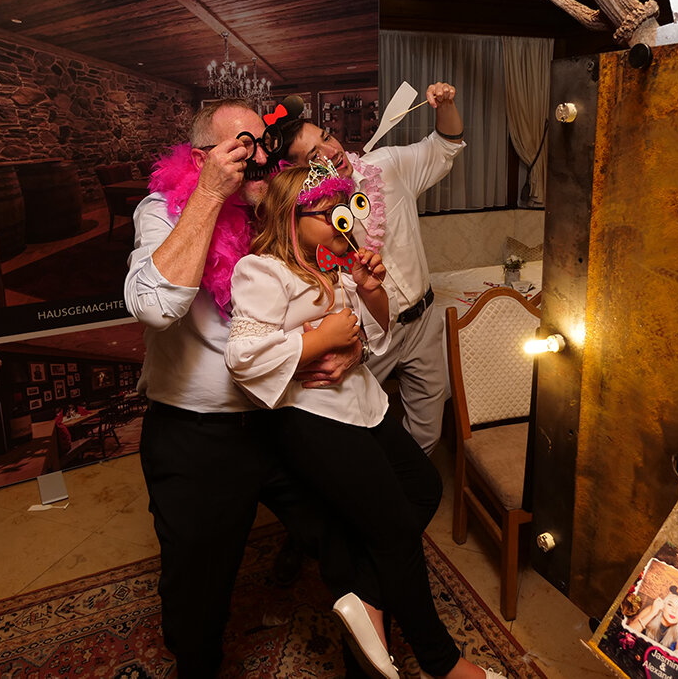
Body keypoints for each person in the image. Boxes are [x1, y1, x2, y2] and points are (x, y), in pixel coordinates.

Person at [224, 160, 503, 679]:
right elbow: (242, 358)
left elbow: (372, 337)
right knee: (395, 533)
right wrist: (319, 341)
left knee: (423, 488)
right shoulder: (262, 270)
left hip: (364, 406)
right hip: (313, 419)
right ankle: (442, 663)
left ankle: (366, 598)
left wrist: (371, 292)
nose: (342, 221)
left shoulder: (333, 267)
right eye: (327, 213)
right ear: (291, 218)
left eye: (345, 210)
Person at [124, 99, 361, 678]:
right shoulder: (162, 210)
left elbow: (333, 291)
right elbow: (154, 307)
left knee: (353, 532)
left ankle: (369, 658)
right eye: (241, 146)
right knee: (198, 591)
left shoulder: (278, 210)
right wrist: (209, 194)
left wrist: (352, 347)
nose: (257, 159)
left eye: (263, 145)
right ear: (201, 158)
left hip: (287, 414)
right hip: (198, 434)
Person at [279, 82, 464, 454]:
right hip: (363, 335)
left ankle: (412, 485)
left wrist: (445, 104)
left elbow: (446, 144)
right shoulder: (302, 222)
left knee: (427, 432)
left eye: (326, 137)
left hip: (422, 319)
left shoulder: (387, 166)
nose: (332, 151)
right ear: (297, 172)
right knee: (352, 429)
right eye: (314, 155)